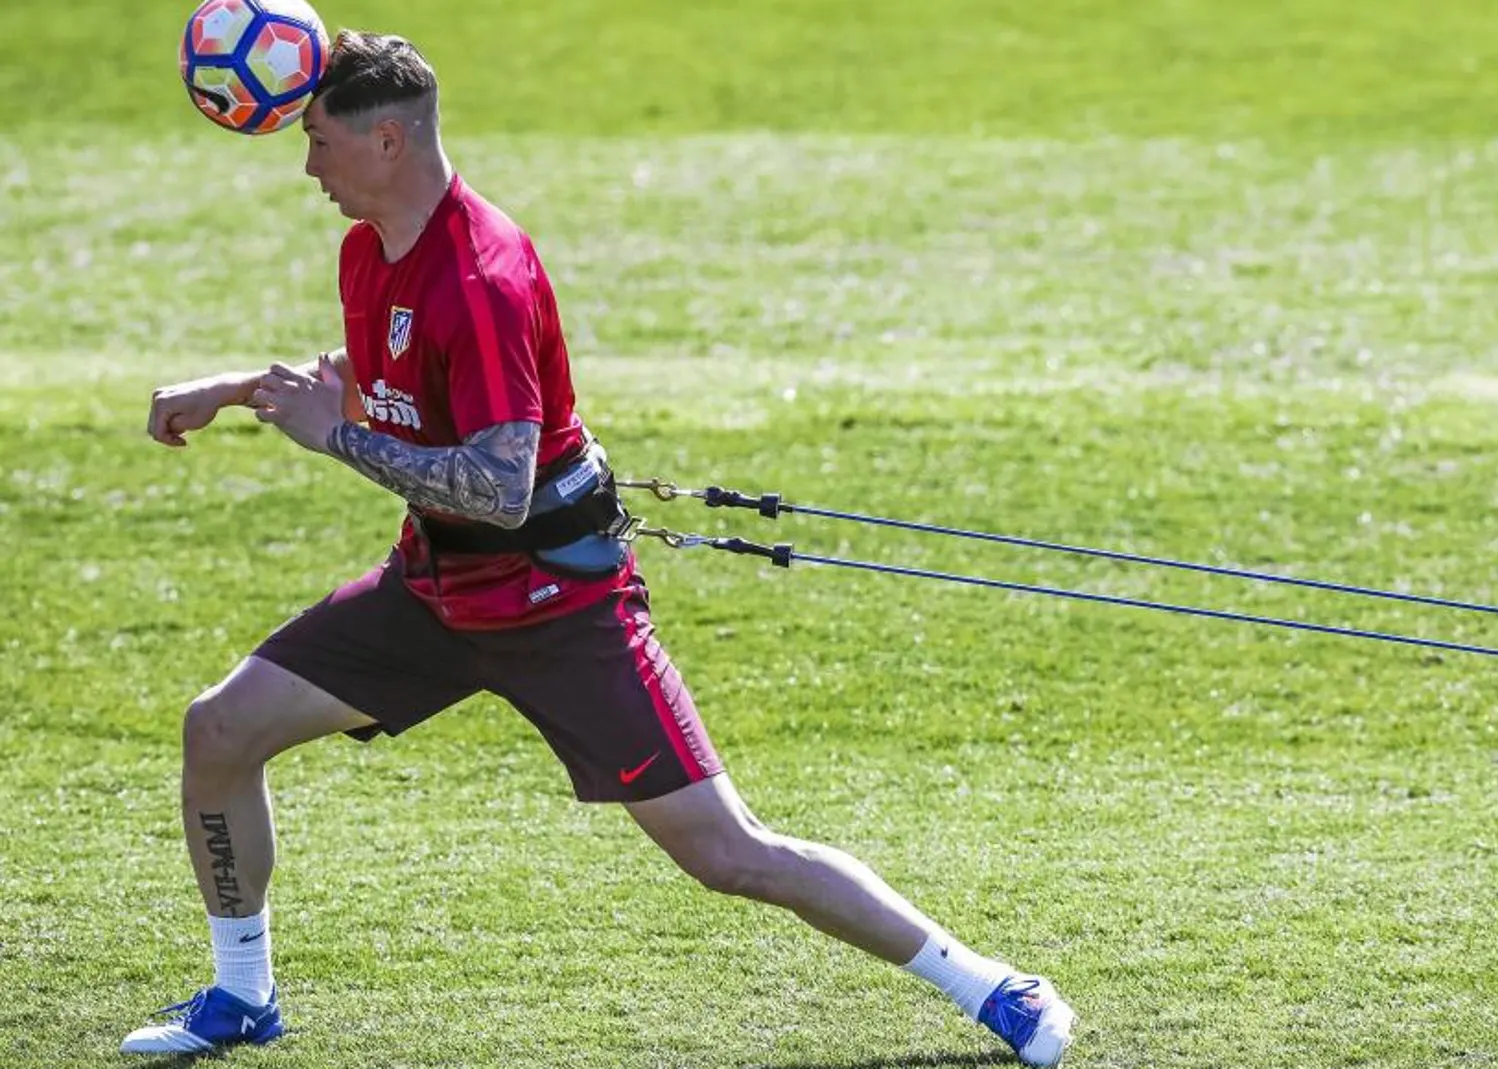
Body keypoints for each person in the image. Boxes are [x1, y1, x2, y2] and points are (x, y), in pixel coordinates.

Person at [124, 29, 1075, 1066]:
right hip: (433, 595)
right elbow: (385, 365)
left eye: (318, 143)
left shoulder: (482, 275)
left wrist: (336, 438)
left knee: (728, 853)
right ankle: (243, 993)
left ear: (387, 142)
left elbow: (495, 486)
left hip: (558, 611)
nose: (306, 167)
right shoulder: (370, 248)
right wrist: (233, 390)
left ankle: (996, 988)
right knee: (219, 732)